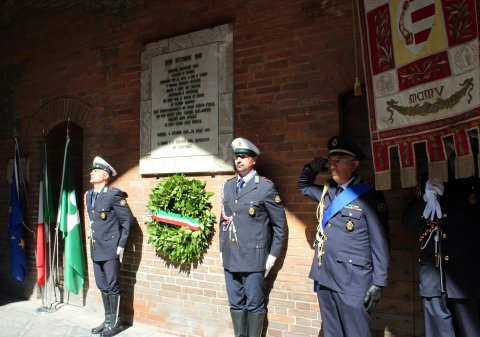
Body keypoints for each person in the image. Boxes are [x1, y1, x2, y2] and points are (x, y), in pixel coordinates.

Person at [297, 136, 389, 337]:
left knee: (356, 333)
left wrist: (379, 282)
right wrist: (311, 169)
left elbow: (380, 242)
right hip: (326, 276)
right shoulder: (327, 192)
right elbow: (303, 186)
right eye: (331, 161)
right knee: (332, 333)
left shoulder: (369, 197)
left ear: (354, 165)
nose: (332, 165)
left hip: (353, 281)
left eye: (338, 160)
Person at [403, 138, 480, 337]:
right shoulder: (428, 180)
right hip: (434, 278)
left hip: (467, 277)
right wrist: (425, 199)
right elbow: (410, 222)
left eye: (450, 144)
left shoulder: (475, 176)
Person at [220, 137, 288, 337]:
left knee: (255, 305)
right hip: (231, 256)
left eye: (243, 157)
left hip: (254, 259)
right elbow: (224, 220)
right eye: (236, 157)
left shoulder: (265, 187)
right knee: (235, 302)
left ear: (254, 160)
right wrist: (221, 250)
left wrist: (272, 257)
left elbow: (280, 226)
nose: (239, 160)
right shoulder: (229, 186)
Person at [86, 156, 134, 337]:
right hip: (96, 247)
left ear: (105, 175)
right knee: (101, 284)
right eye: (92, 170)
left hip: (111, 248)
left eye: (96, 170)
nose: (91, 173)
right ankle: (107, 320)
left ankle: (116, 322)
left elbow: (127, 219)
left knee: (113, 285)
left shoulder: (113, 195)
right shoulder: (89, 195)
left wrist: (121, 244)